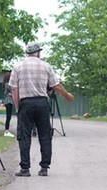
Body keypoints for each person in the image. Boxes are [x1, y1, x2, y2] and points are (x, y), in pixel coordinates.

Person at [9, 42, 74, 177]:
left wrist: (17, 106)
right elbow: (55, 86)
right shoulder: (46, 66)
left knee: (24, 135)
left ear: (26, 53)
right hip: (42, 102)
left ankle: (25, 168)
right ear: (38, 53)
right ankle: (44, 167)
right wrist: (66, 95)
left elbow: (14, 89)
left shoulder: (18, 66)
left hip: (25, 103)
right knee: (45, 135)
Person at [2, 71, 15, 137]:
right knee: (8, 117)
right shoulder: (8, 85)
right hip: (8, 102)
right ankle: (6, 131)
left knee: (8, 117)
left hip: (8, 102)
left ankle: (7, 131)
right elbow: (13, 91)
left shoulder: (5, 84)